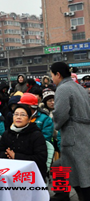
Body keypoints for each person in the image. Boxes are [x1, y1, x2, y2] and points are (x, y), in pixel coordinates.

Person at [51, 63, 90, 199]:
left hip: (73, 135)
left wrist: (56, 125)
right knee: (82, 174)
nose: (52, 79)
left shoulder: (63, 88)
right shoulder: (79, 87)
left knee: (80, 178)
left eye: (52, 75)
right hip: (84, 133)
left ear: (58, 74)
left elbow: (60, 114)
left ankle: (62, 196)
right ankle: (62, 196)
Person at [0, 104, 47, 180]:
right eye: (16, 114)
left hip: (31, 173)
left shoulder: (36, 135)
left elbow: (41, 159)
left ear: (29, 119)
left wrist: (16, 156)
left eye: (23, 115)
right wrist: (7, 155)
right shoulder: (7, 134)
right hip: (9, 171)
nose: (18, 117)